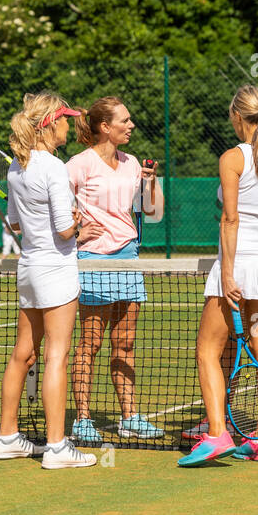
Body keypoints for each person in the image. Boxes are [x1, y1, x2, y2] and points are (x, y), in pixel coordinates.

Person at [181, 84, 258, 466]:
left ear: (236, 116)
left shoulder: (232, 157)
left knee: (207, 351)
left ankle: (216, 435)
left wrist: (228, 274)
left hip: (239, 267)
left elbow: (230, 219)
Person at [0, 92, 97, 470]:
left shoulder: (16, 169)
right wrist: (79, 225)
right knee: (57, 355)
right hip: (55, 270)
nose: (70, 124)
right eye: (66, 118)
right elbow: (65, 230)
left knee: (24, 352)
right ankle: (56, 447)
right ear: (51, 122)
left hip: (30, 269)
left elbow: (16, 224)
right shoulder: (53, 167)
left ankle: (7, 438)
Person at [65, 97, 165, 444]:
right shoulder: (79, 164)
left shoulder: (133, 162)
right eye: (125, 120)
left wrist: (151, 181)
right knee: (89, 344)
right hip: (93, 260)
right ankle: (82, 419)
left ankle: (130, 417)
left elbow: (153, 212)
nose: (131, 124)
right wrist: (75, 234)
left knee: (125, 344)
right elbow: (55, 208)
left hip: (128, 257)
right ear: (105, 127)